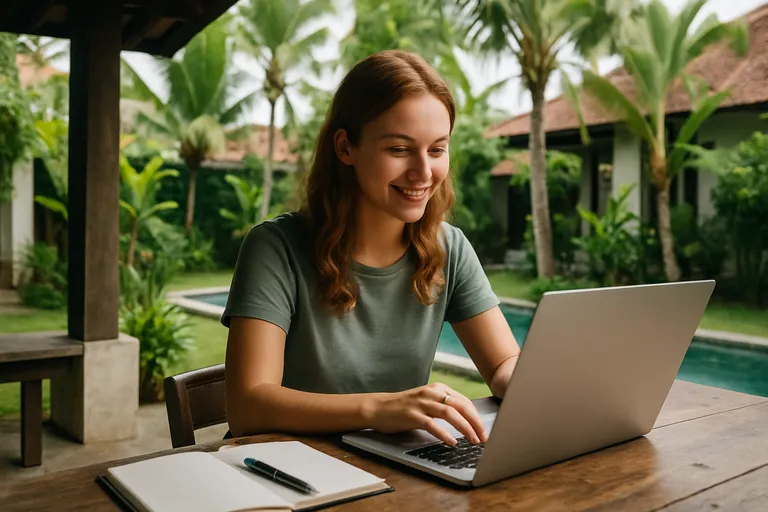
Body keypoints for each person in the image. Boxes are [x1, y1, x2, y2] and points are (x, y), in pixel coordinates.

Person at [222, 50, 520, 448]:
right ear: (346, 148)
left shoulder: (450, 248)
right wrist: (378, 410)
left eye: (436, 149)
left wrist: (531, 384)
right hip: (288, 472)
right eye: (399, 149)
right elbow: (247, 406)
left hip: (396, 472)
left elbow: (503, 363)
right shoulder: (275, 249)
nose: (423, 172)